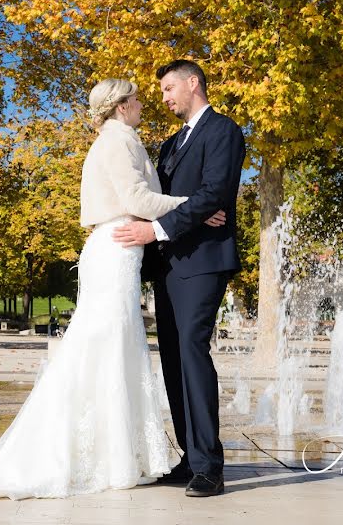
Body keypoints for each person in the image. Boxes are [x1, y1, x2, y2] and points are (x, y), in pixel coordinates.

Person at [0, 78, 224, 500]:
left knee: (111, 349)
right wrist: (195, 208)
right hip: (118, 246)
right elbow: (137, 198)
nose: (142, 104)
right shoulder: (117, 141)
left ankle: (116, 454)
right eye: (135, 99)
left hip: (121, 249)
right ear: (120, 106)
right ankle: (100, 455)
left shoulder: (118, 139)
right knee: (105, 347)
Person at [113, 60, 246, 497]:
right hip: (168, 265)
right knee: (172, 358)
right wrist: (178, 213)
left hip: (204, 261)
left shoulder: (223, 131)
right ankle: (191, 458)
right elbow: (165, 198)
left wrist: (157, 228)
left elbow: (215, 193)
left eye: (170, 88)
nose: (165, 98)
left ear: (194, 83)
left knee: (191, 349)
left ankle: (210, 466)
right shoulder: (170, 144)